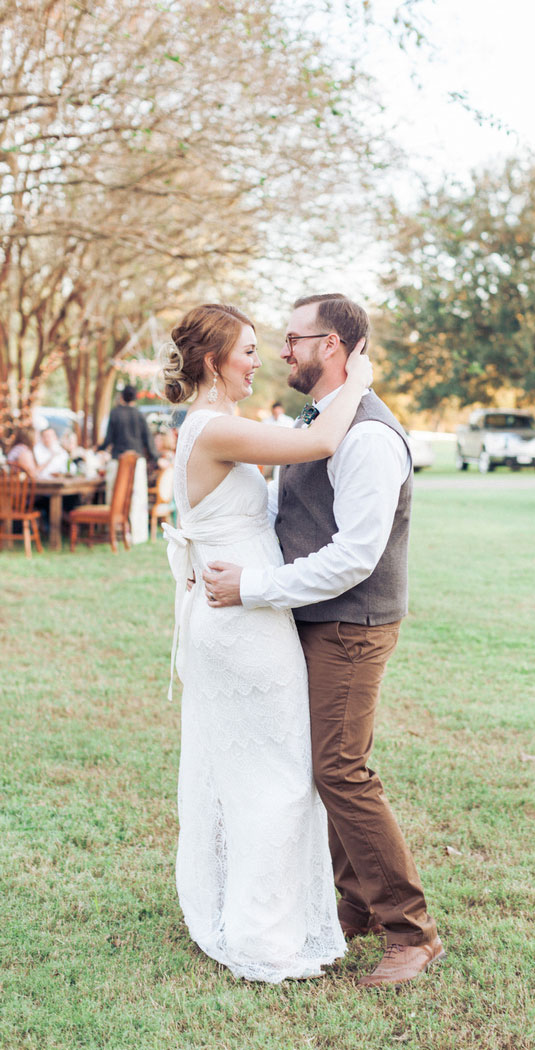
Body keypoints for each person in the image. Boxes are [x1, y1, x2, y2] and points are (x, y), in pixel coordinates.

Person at [202, 293, 444, 988]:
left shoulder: (367, 436)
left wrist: (250, 587)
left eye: (293, 339)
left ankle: (412, 931)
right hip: (318, 622)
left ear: (331, 345)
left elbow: (354, 557)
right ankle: (357, 907)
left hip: (352, 625)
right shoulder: (324, 422)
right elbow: (291, 519)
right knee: (320, 766)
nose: (283, 352)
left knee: (341, 769)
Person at [161, 301, 372, 983]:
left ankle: (250, 911)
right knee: (279, 776)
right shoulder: (216, 428)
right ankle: (262, 933)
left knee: (250, 772)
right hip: (243, 619)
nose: (261, 361)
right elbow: (317, 443)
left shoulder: (207, 428)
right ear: (213, 359)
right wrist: (358, 382)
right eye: (248, 350)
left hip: (232, 609)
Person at [99, 385, 157, 544]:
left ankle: (116, 531)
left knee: (115, 497)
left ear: (122, 397)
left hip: (117, 461)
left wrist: (99, 449)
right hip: (137, 462)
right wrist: (156, 458)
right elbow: (148, 440)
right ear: (135, 398)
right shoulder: (139, 415)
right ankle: (138, 534)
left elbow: (108, 439)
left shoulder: (115, 413)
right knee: (137, 497)